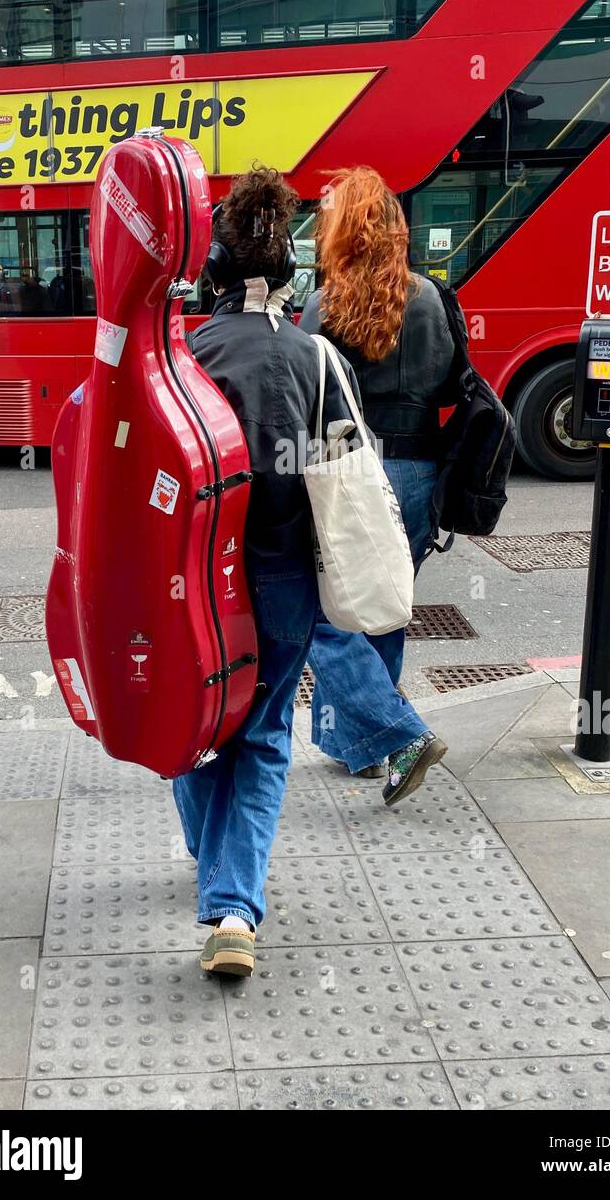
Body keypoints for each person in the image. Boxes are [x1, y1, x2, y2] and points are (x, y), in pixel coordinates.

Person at [172, 165, 358, 979]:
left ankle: (212, 864)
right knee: (264, 733)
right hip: (284, 579)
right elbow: (347, 480)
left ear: (211, 274)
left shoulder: (182, 356)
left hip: (192, 584)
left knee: (194, 727)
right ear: (293, 276)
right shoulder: (317, 360)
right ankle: (234, 907)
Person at [300, 167, 458, 806]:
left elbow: (307, 396)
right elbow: (451, 386)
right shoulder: (431, 297)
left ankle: (398, 734)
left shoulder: (324, 303)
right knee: (386, 604)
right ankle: (357, 748)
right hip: (417, 467)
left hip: (348, 469)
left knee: (323, 614)